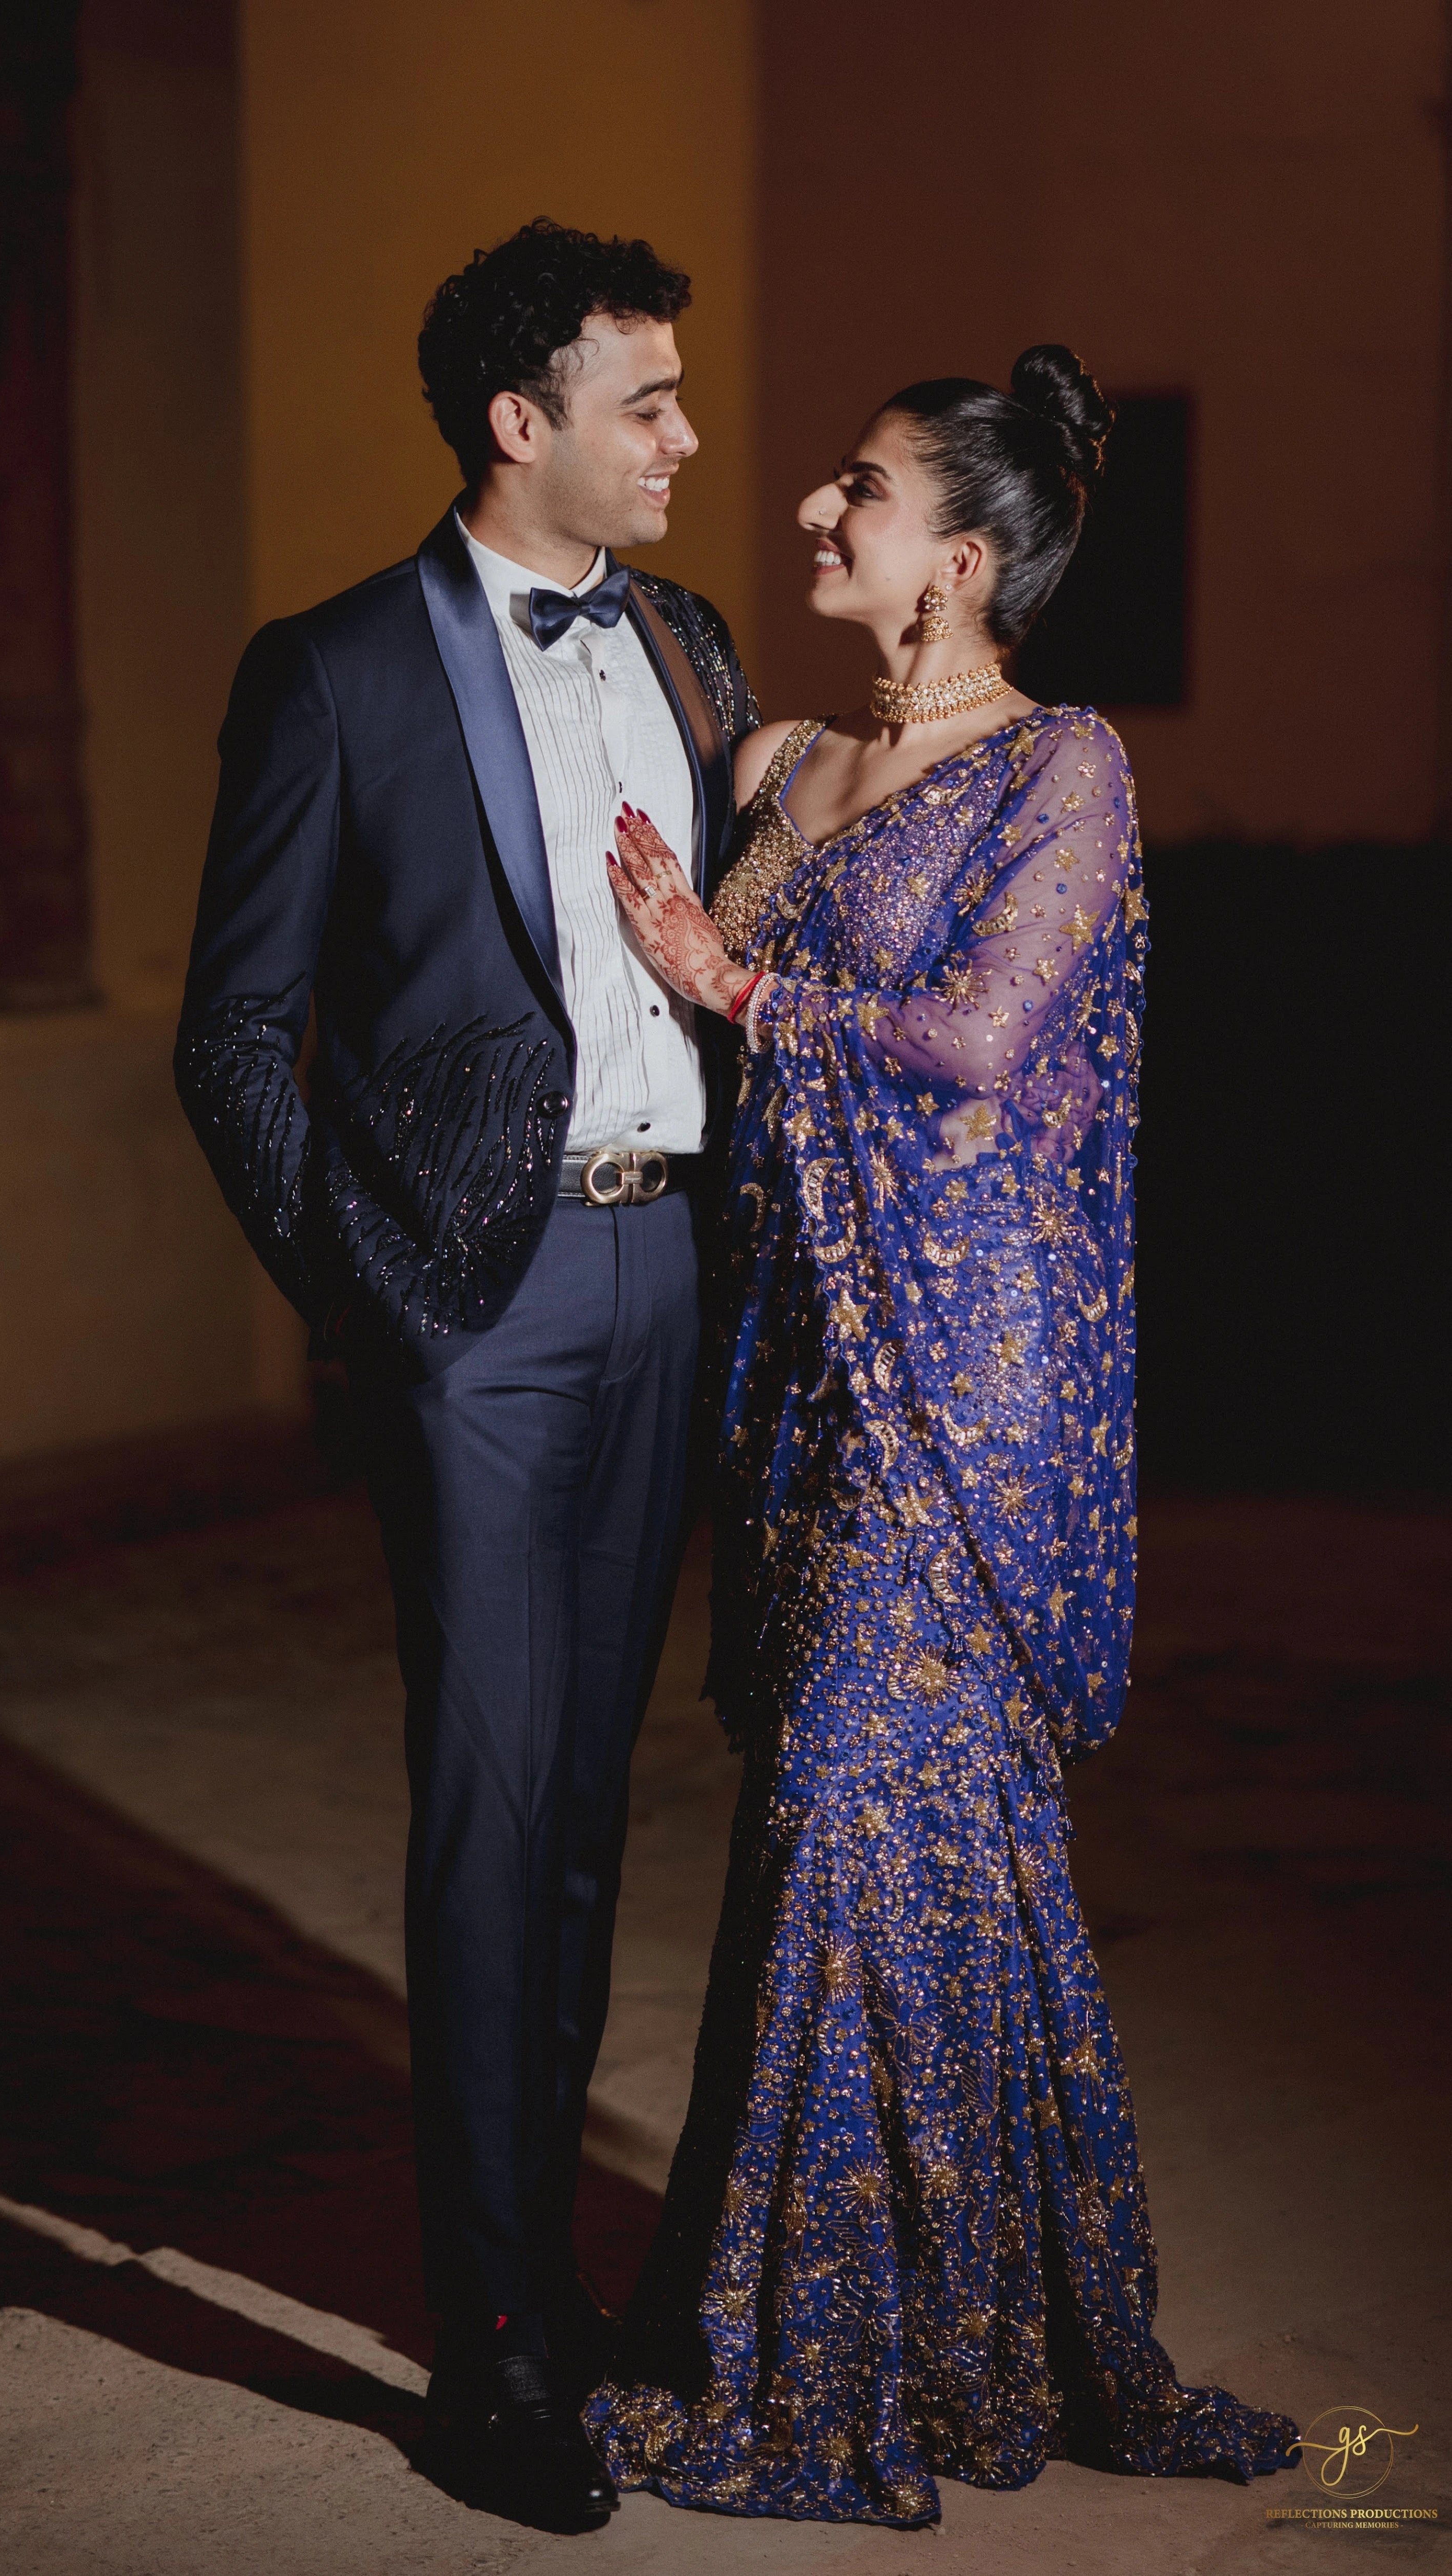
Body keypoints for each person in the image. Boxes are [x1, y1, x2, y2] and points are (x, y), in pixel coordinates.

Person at [583, 348, 1301, 2526]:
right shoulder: (791, 758)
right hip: (801, 1360)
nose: (814, 508)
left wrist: (736, 986)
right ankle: (983, 2315)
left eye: (861, 491)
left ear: (962, 561)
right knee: (906, 1838)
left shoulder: (1060, 769)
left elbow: (983, 1041)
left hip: (969, 1376)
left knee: (844, 1803)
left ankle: (836, 2352)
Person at [173, 217, 758, 2532]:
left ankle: (561, 2281)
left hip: (666, 1285)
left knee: (596, 1810)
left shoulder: (696, 645)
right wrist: (382, 1302)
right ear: (521, 423)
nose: (688, 434)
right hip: (479, 1316)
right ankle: (492, 2345)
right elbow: (233, 1040)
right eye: (648, 398)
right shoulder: (330, 672)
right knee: (489, 1810)